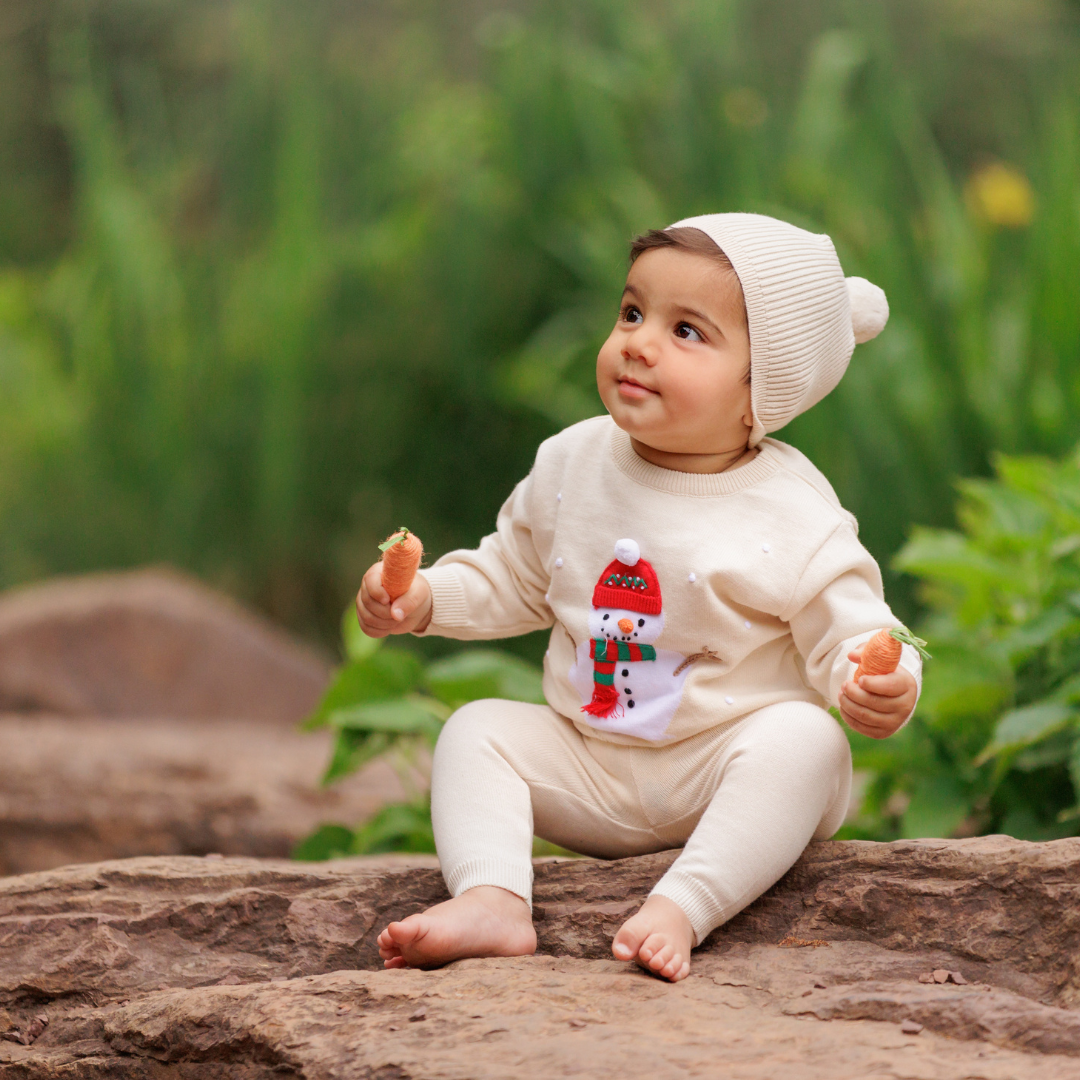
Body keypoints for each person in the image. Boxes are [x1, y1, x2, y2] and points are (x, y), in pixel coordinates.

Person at [356, 212, 921, 983]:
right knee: (475, 730)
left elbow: (853, 630)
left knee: (808, 742)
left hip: (721, 772)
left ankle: (684, 904)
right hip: (589, 766)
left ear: (764, 392)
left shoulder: (793, 510)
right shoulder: (574, 461)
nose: (638, 342)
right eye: (631, 312)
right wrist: (423, 599)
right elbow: (515, 576)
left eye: (687, 332)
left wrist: (878, 680)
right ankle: (493, 899)